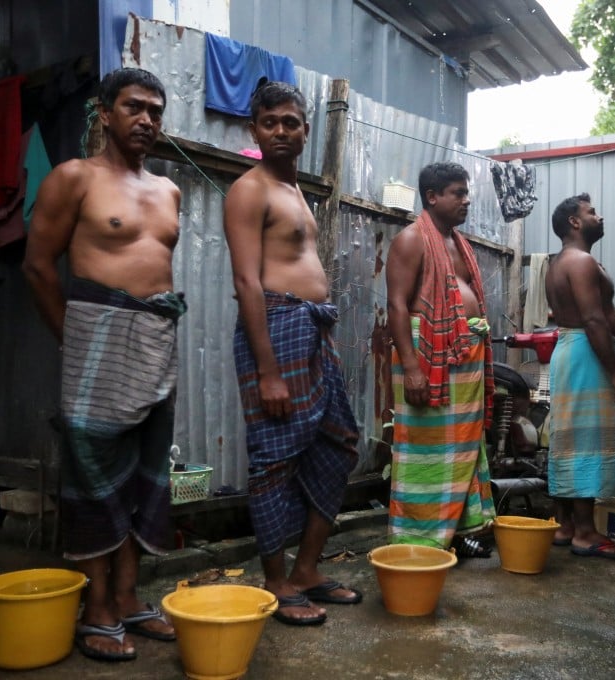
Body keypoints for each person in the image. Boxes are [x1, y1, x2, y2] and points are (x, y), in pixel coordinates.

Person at [23, 68, 182, 662]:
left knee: (147, 473)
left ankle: (129, 596)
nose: (146, 120)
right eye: (134, 107)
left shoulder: (169, 191)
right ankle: (97, 608)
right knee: (91, 468)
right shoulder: (75, 179)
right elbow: (38, 267)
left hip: (158, 338)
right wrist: (75, 337)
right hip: (96, 335)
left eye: (155, 111)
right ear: (106, 112)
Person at [223, 80, 361, 627]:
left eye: (291, 122)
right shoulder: (250, 189)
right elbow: (246, 281)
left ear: (307, 129)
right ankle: (276, 581)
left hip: (312, 331)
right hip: (276, 328)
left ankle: (306, 570)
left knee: (338, 443)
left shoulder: (296, 189)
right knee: (275, 460)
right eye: (270, 122)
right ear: (253, 129)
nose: (281, 131)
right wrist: (268, 371)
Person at [385, 161, 496, 557]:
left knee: (463, 451)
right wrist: (412, 368)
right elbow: (397, 306)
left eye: (467, 193)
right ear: (432, 196)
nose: (466, 200)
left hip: (463, 359)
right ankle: (417, 541)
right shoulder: (412, 240)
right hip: (428, 359)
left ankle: (453, 534)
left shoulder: (458, 242)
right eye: (457, 193)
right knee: (425, 453)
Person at [544, 193, 615, 560]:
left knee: (568, 437)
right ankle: (585, 532)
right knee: (585, 440)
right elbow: (594, 319)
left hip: (575, 351)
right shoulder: (580, 261)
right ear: (574, 222)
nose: (600, 217)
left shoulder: (559, 262)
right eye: (591, 212)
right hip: (588, 355)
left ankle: (566, 524)